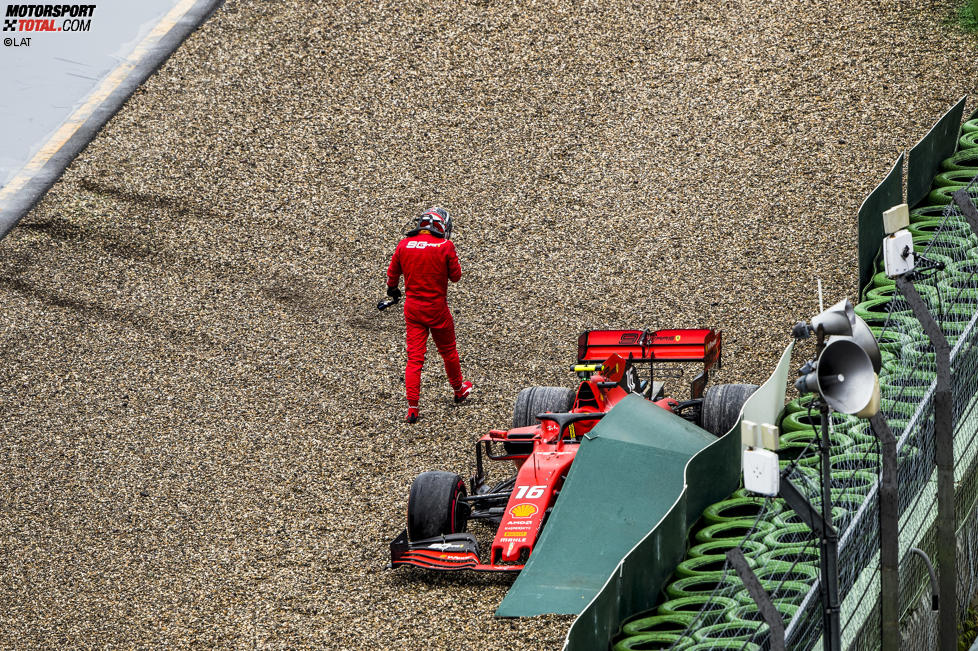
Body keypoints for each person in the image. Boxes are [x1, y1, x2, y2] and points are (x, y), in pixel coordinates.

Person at [386, 207, 472, 423]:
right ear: (441, 226)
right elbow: (456, 277)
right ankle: (459, 390)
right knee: (448, 351)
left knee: (414, 359)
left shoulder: (404, 244)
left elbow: (392, 274)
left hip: (413, 309)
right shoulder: (445, 246)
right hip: (437, 309)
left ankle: (413, 408)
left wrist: (393, 289)